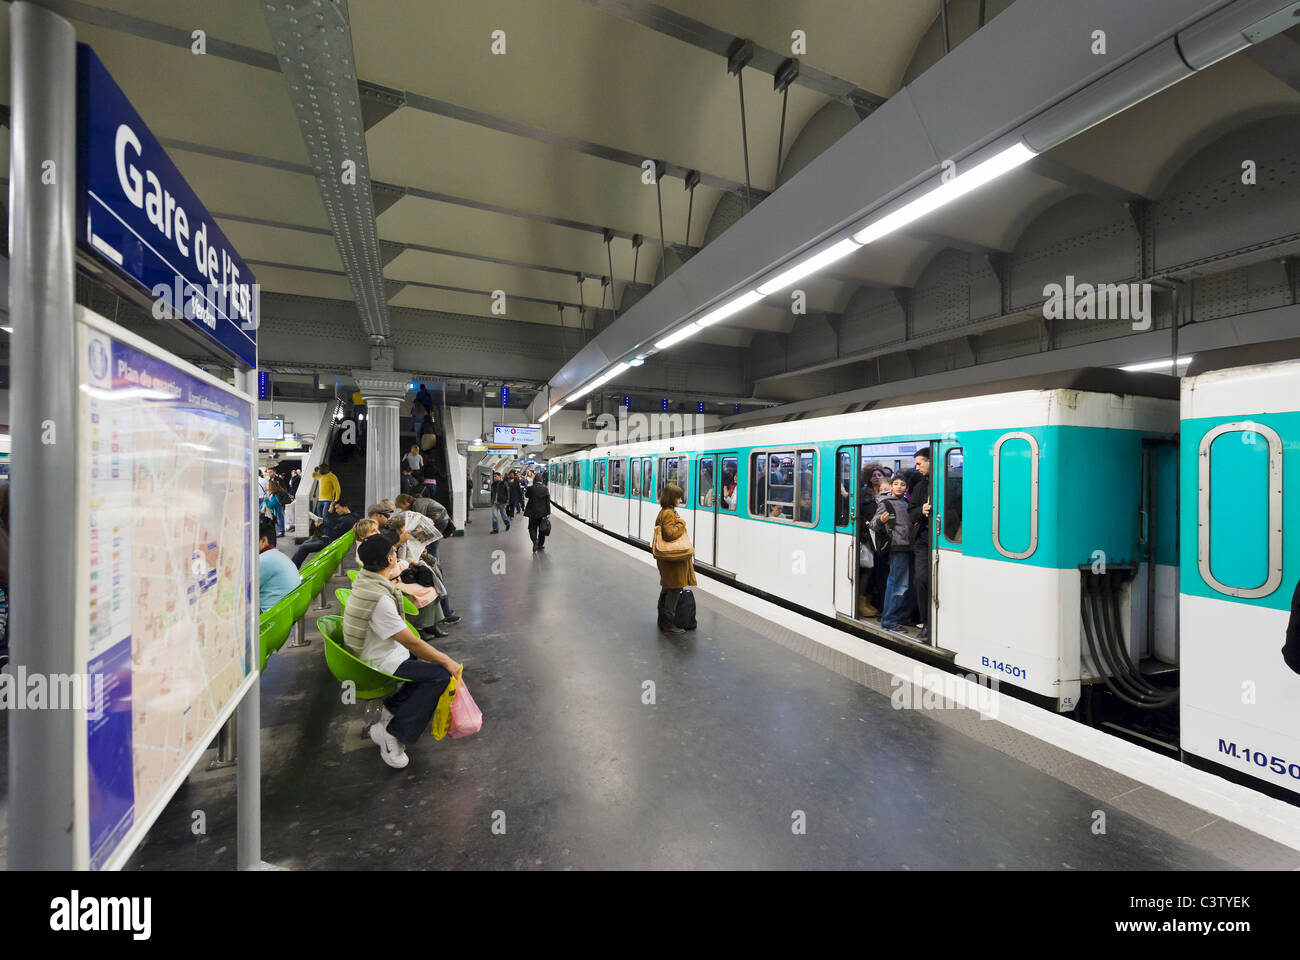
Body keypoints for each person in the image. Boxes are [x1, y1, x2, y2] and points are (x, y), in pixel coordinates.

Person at [344, 535, 462, 769]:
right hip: (379, 658)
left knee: (430, 662)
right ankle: (394, 734)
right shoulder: (380, 599)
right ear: (390, 559)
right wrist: (448, 661)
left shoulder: (365, 582)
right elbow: (412, 643)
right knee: (440, 674)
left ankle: (391, 710)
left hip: (376, 649)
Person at [871, 475, 915, 632]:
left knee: (902, 584)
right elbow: (874, 525)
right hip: (898, 547)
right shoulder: (886, 503)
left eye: (902, 484)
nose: (899, 487)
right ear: (891, 486)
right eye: (895, 484)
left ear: (906, 488)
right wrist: (881, 521)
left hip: (909, 547)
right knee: (898, 585)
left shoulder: (907, 503)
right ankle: (889, 620)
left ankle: (896, 616)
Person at [654, 482, 696, 635]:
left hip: (668, 559)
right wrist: (681, 524)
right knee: (674, 587)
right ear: (672, 498)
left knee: (668, 586)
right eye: (678, 497)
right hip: (672, 559)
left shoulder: (665, 511)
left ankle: (662, 618)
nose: (680, 499)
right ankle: (668, 622)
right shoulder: (669, 513)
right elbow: (670, 534)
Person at [908, 449, 933, 640]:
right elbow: (911, 511)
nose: (917, 467)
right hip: (923, 540)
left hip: (943, 539)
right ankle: (927, 623)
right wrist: (921, 511)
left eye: (919, 463)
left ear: (931, 461)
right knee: (922, 580)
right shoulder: (919, 485)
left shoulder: (951, 482)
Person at [292, 499, 360, 567]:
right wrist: (329, 513)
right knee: (305, 544)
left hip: (332, 542)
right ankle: (291, 567)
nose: (336, 511)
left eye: (337, 508)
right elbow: (333, 527)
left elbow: (332, 533)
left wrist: (320, 526)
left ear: (345, 507)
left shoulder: (346, 520)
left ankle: (292, 568)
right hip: (336, 540)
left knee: (303, 548)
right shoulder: (352, 516)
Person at [258, 516, 301, 613]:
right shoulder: (277, 555)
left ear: (264, 540)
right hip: (286, 613)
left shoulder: (264, 560)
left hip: (271, 615)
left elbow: (246, 589)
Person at [524, 472, 551, 552]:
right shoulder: (545, 488)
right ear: (542, 480)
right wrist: (548, 512)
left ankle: (535, 541)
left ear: (534, 480)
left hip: (532, 512)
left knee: (532, 528)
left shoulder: (531, 488)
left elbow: (526, 496)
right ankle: (540, 545)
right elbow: (547, 501)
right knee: (542, 529)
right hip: (542, 512)